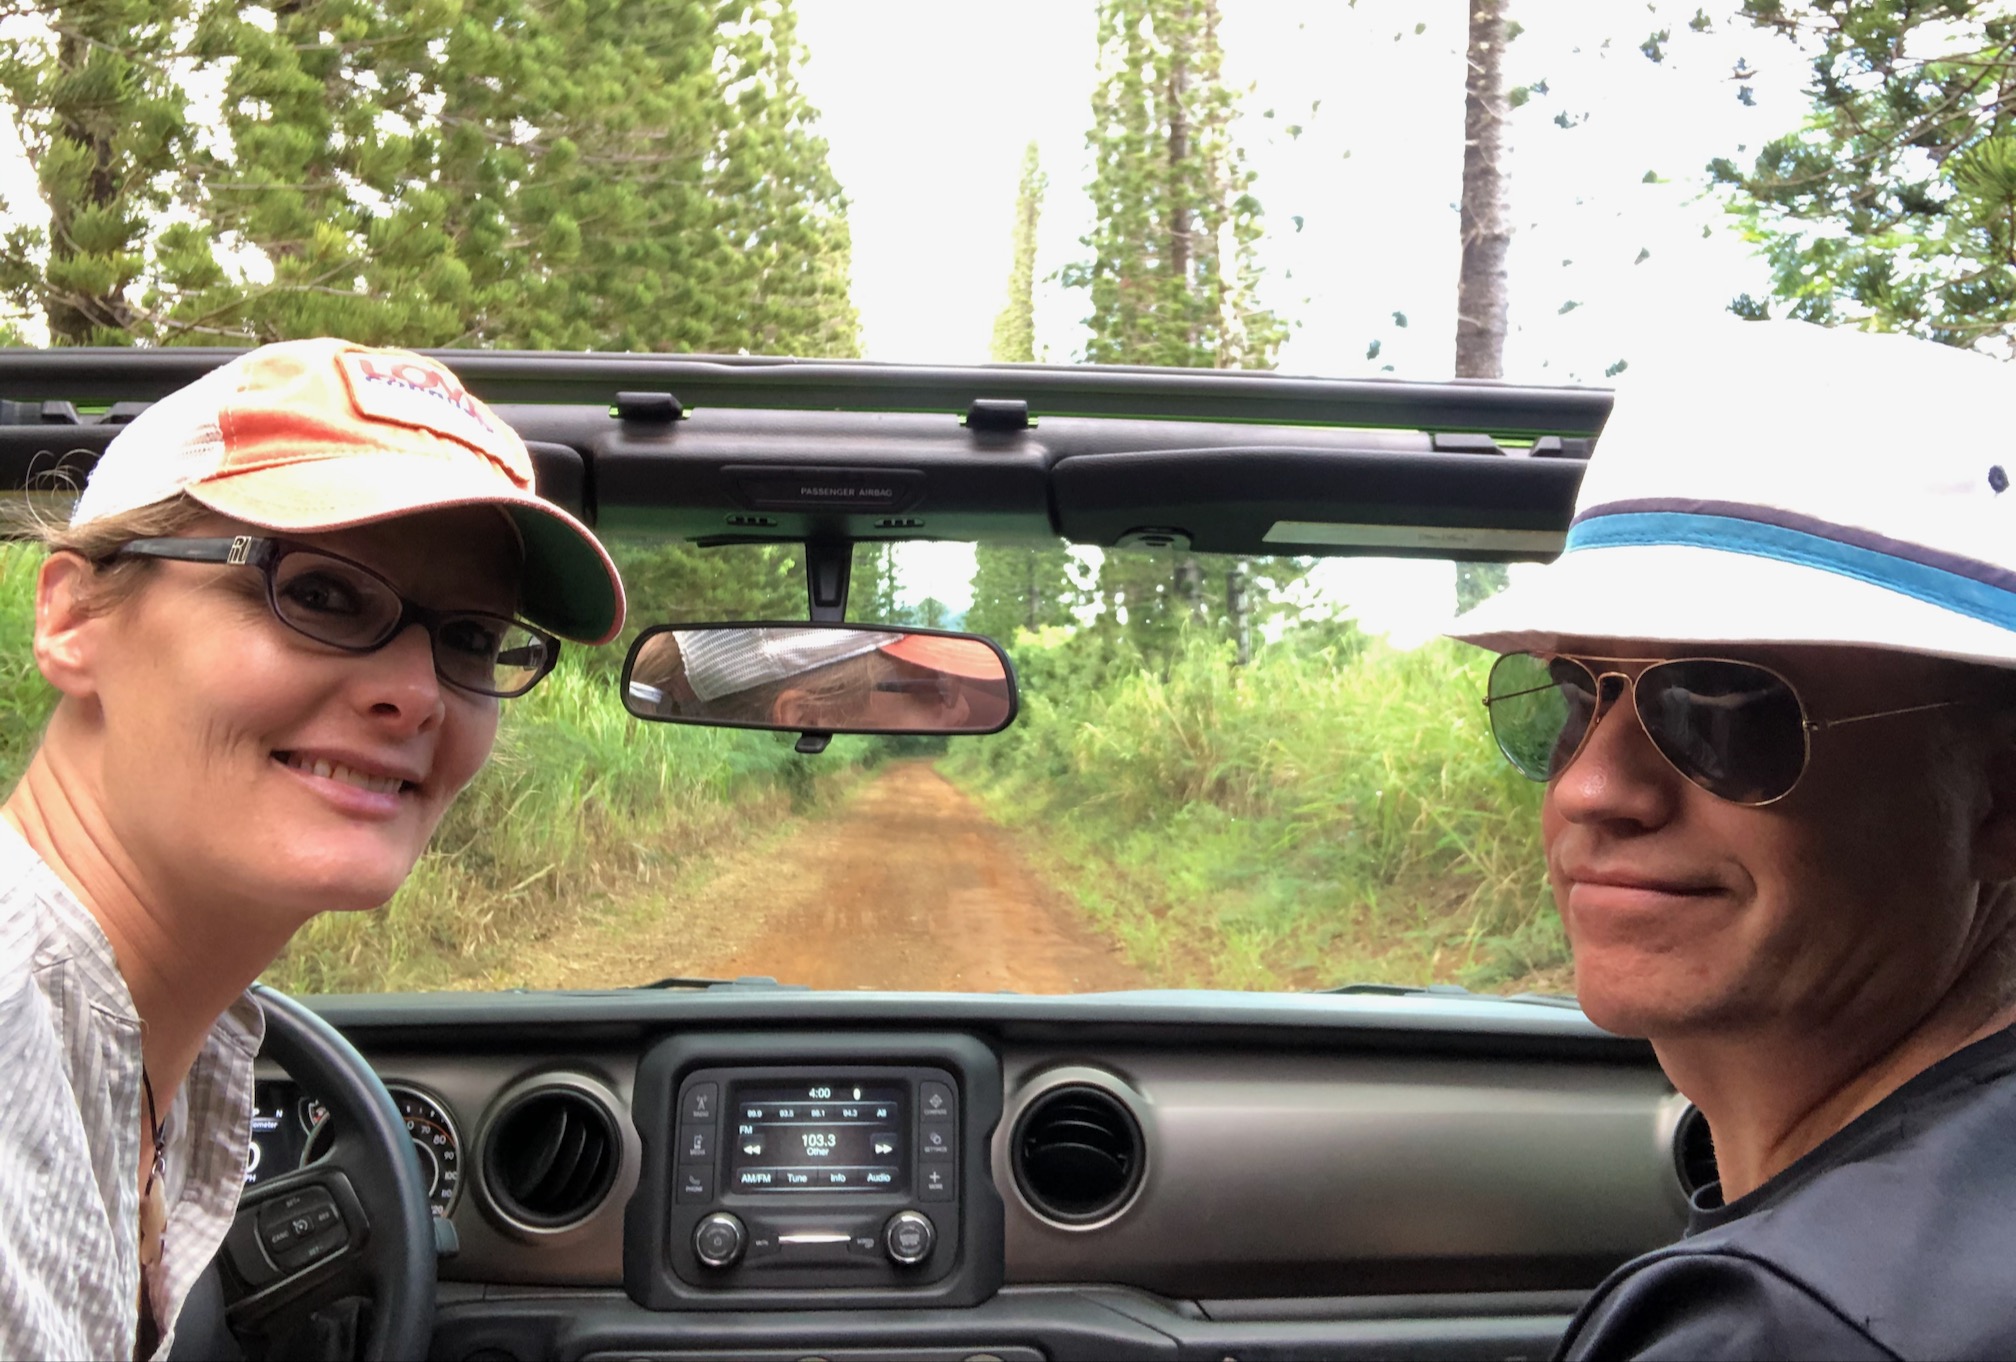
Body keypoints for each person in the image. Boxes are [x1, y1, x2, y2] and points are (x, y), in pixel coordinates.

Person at [0, 339, 625, 1359]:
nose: (417, 692)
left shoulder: (170, 1053)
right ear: (74, 618)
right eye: (322, 595)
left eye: (467, 637)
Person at [1450, 319, 2016, 1360]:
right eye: (1571, 698)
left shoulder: (1787, 1326)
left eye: (1722, 710)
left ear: (1998, 799)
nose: (1591, 787)